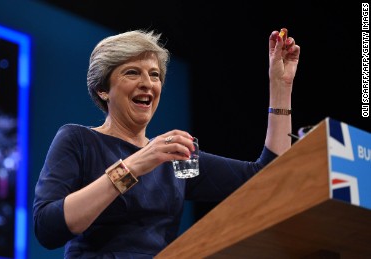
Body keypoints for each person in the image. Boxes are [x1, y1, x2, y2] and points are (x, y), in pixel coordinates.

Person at [33, 28, 300, 258]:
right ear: (103, 89)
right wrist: (133, 166)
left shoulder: (174, 157)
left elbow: (267, 178)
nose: (147, 84)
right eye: (132, 73)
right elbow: (47, 228)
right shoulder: (79, 140)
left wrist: (280, 87)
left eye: (155, 75)